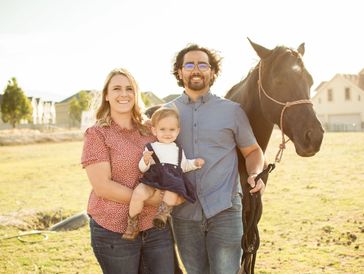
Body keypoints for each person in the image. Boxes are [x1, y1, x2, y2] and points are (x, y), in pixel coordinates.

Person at [167, 44, 266, 274]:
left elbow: (253, 151)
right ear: (180, 72)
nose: (196, 70)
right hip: (183, 214)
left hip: (225, 210)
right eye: (189, 65)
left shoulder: (232, 111)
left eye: (203, 64)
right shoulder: (166, 113)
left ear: (212, 72)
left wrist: (254, 173)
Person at [81, 68, 176, 274]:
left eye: (129, 88)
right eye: (116, 88)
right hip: (114, 229)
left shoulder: (151, 129)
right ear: (106, 95)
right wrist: (150, 199)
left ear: (136, 94)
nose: (123, 94)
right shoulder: (97, 134)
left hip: (155, 227)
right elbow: (102, 187)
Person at [123, 107, 205, 240]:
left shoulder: (178, 150)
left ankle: (162, 214)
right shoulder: (151, 147)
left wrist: (195, 163)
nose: (167, 133)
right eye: (162, 129)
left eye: (172, 130)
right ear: (154, 130)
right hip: (153, 178)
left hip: (172, 181)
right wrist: (145, 160)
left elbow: (183, 166)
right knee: (138, 193)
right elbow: (143, 169)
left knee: (173, 192)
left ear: (178, 131)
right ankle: (132, 223)